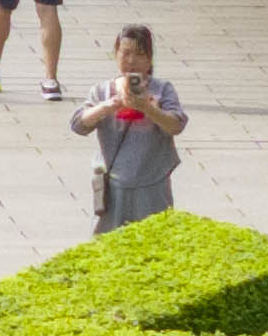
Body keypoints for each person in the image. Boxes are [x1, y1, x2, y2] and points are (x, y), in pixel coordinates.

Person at [80, 35, 187, 235]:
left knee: (155, 242)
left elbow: (176, 126)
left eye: (139, 54)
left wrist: (149, 109)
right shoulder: (103, 90)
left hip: (152, 184)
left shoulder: (163, 90)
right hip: (114, 185)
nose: (131, 61)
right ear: (116, 55)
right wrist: (107, 106)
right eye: (125, 53)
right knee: (108, 244)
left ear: (150, 59)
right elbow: (79, 124)